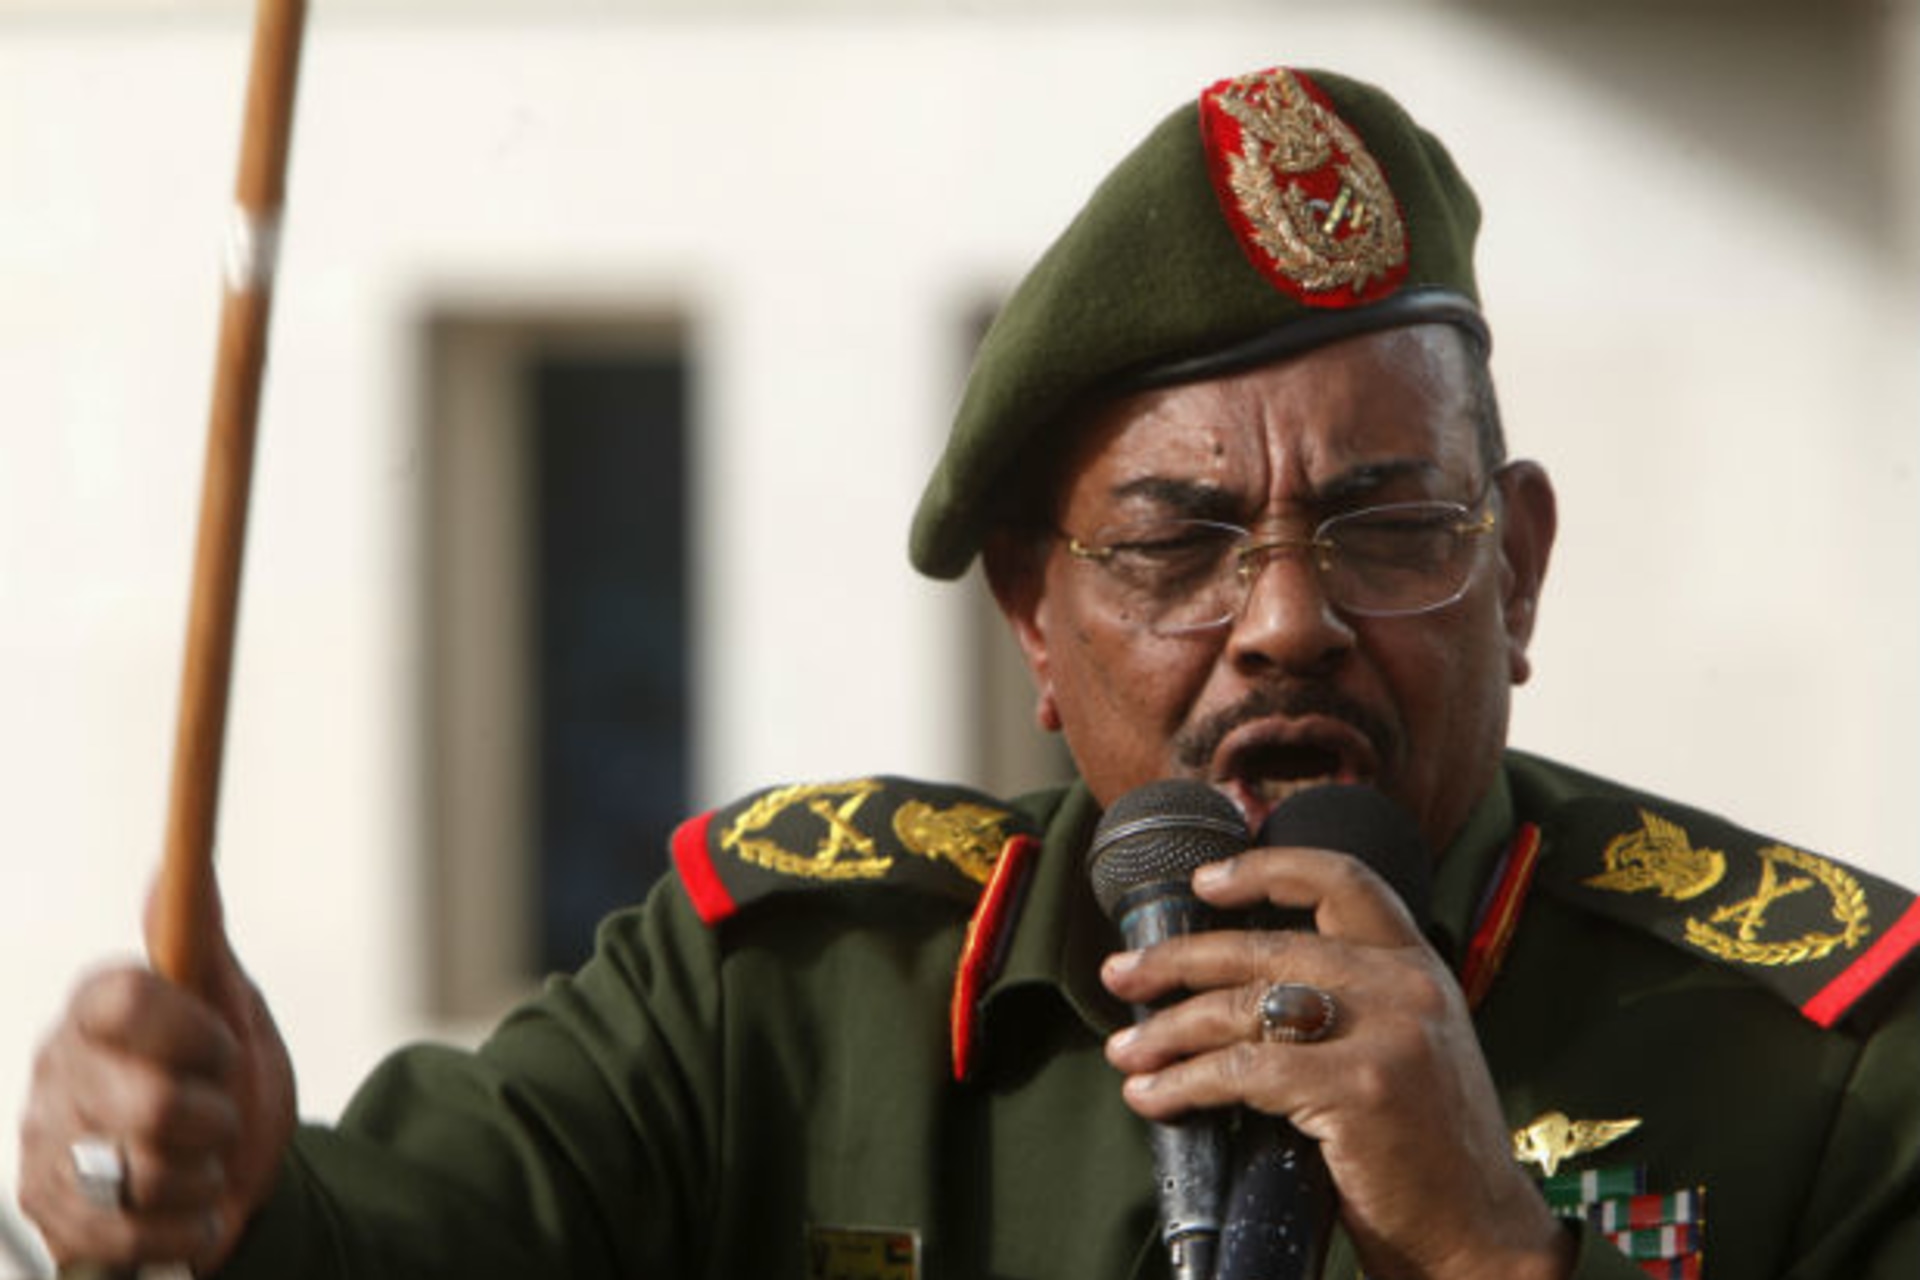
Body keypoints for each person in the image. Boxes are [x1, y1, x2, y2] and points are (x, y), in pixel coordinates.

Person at [18, 64, 1919, 1280]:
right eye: (1176, 546)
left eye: (1385, 528)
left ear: (1520, 573)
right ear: (1033, 621)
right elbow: (380, 1251)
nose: (1283, 623)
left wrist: (1496, 1255)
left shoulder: (1828, 1067)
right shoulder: (784, 1000)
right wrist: (222, 1192)